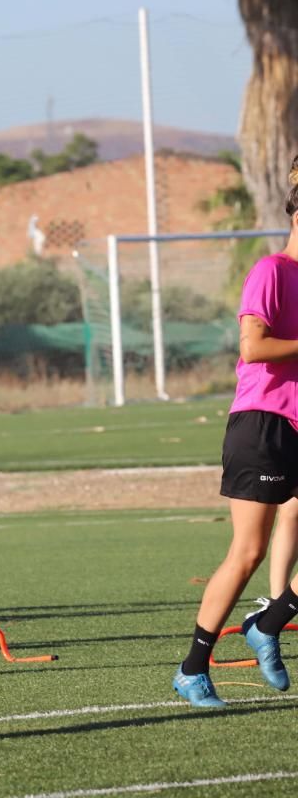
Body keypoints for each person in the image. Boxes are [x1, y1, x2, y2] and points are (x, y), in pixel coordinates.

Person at [172, 158, 298, 708]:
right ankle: (193, 667)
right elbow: (254, 347)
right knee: (247, 552)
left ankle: (269, 622)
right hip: (262, 424)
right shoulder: (272, 270)